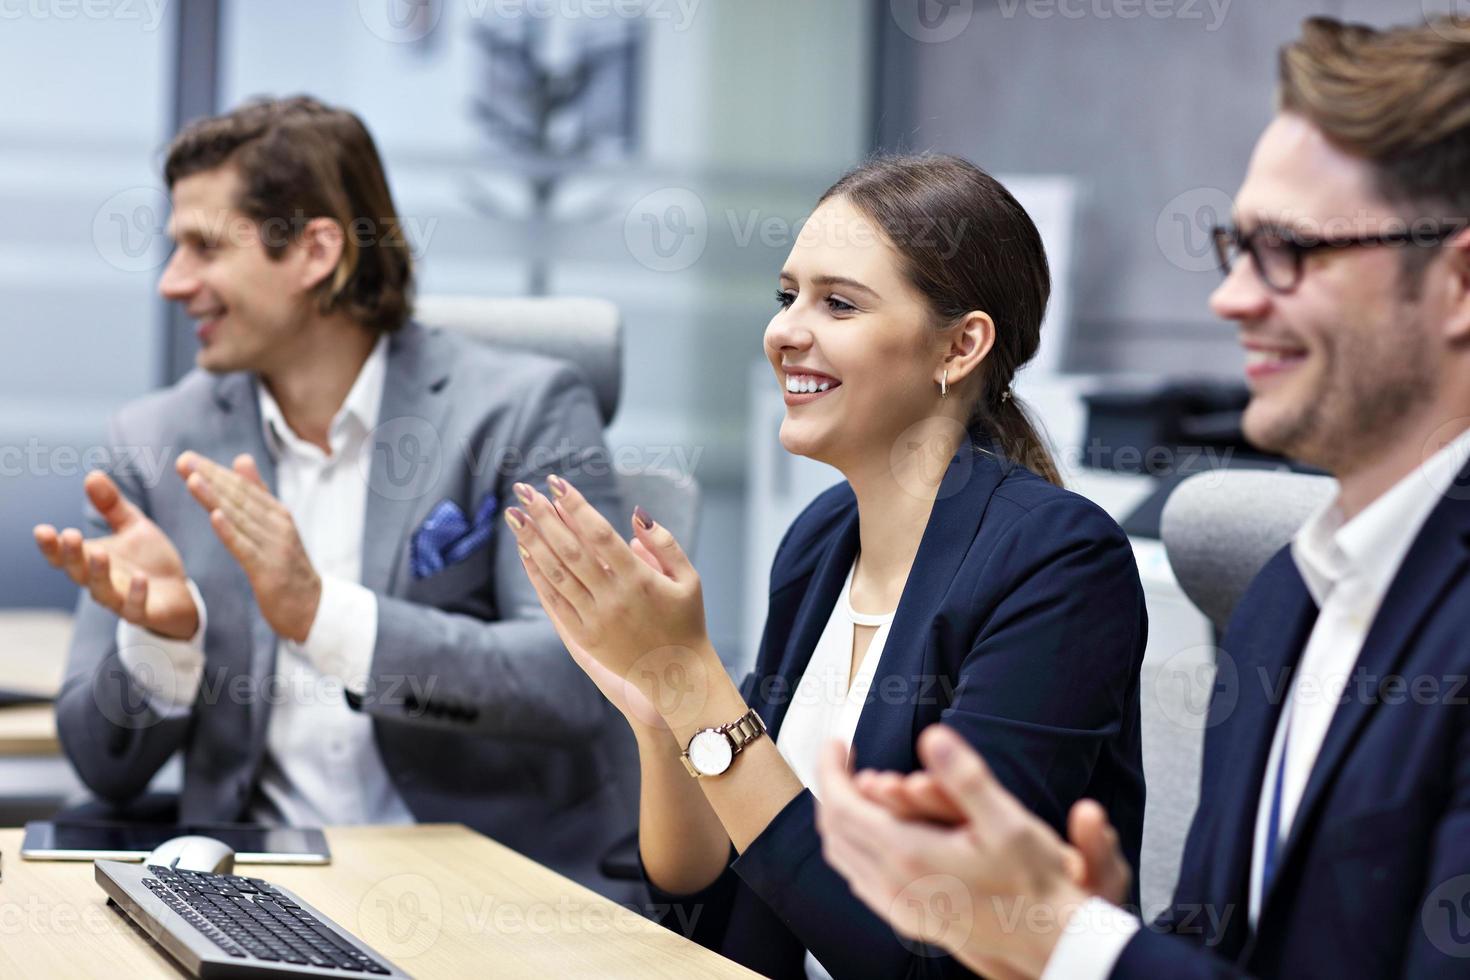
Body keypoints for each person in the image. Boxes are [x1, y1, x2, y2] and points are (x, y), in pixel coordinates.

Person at [815, 16, 1470, 979]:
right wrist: (1092, 931)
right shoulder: (1283, 600)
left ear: (1458, 282)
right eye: (1234, 247)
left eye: (1288, 249)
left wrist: (1072, 943)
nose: (1232, 297)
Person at [501, 154, 1149, 978]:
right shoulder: (820, 541)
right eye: (787, 296)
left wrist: (701, 689)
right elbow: (708, 901)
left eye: (838, 303)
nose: (784, 331)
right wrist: (665, 716)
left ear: (961, 345)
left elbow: (929, 959)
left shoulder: (1057, 564)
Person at [33, 96, 637, 897]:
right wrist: (162, 648)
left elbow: (575, 681)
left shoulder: (521, 409)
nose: (173, 283)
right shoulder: (154, 443)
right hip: (255, 890)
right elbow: (101, 771)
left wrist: (321, 616)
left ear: (317, 249)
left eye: (204, 248)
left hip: (492, 892)